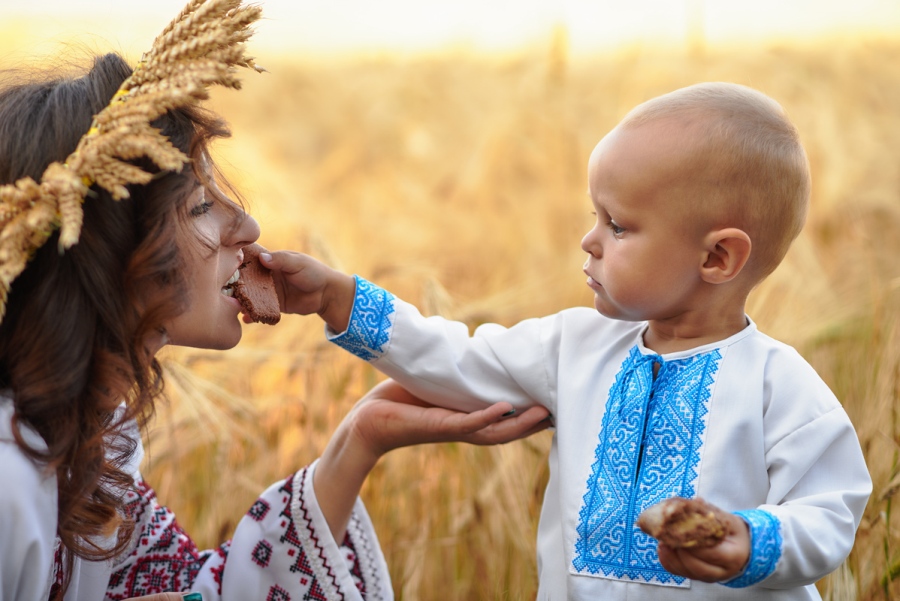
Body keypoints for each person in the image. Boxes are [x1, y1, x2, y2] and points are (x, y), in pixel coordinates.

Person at [0, 2, 551, 600]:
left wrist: (360, 438)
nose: (250, 227)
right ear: (105, 244)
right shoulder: (8, 479)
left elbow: (185, 593)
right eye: (203, 207)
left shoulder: (95, 435)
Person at [261, 82, 873, 599]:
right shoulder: (573, 346)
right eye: (594, 217)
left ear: (717, 257)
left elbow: (829, 510)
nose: (590, 241)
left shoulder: (779, 384)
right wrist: (339, 300)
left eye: (619, 225)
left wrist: (752, 541)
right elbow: (458, 361)